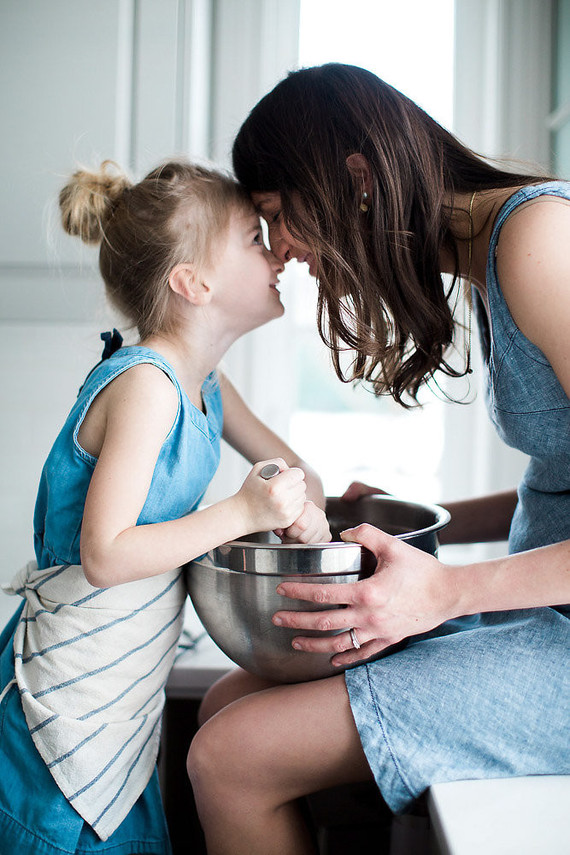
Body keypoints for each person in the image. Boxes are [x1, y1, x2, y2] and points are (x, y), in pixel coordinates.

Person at [187, 63, 570, 855]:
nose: (280, 252)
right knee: (222, 702)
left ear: (356, 178)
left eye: (276, 215)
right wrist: (434, 520)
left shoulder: (541, 241)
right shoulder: (497, 255)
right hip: (539, 615)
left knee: (230, 758)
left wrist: (446, 591)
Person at [0, 157, 331, 855]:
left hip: (118, 706)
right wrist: (245, 512)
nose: (278, 251)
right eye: (253, 236)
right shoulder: (147, 384)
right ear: (192, 283)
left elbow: (299, 471)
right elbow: (106, 552)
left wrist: (302, 507)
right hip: (61, 714)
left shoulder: (206, 382)